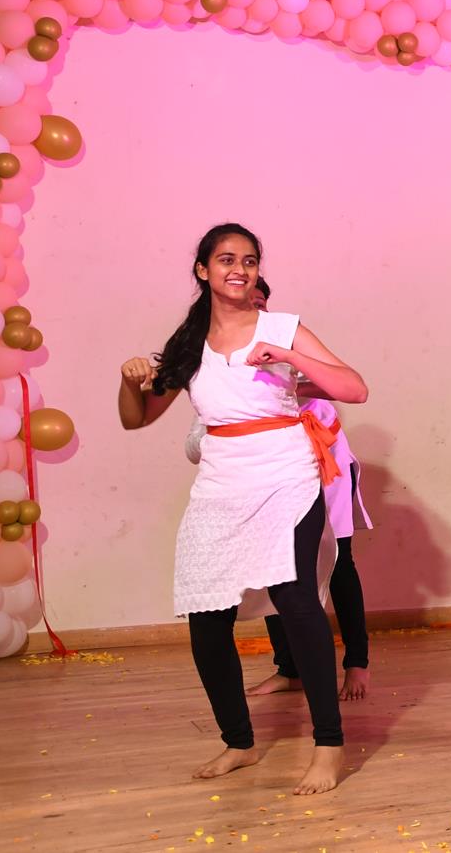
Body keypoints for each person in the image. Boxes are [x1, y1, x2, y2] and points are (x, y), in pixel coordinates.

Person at [119, 223, 368, 794]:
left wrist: (287, 356)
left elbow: (355, 388)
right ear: (203, 270)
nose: (240, 269)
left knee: (296, 600)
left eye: (249, 260)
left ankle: (329, 745)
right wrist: (129, 382)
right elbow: (136, 418)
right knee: (207, 618)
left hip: (286, 475)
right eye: (227, 259)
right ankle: (239, 742)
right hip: (220, 485)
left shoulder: (283, 327)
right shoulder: (188, 344)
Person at [183, 278, 374, 702]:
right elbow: (196, 443)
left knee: (338, 563)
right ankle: (289, 669)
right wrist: (223, 438)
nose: (251, 311)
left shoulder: (288, 350)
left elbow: (350, 388)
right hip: (262, 480)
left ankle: (356, 663)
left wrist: (290, 376)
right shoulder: (219, 365)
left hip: (323, 467)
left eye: (258, 304)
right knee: (272, 568)